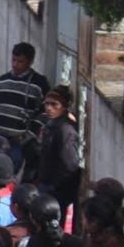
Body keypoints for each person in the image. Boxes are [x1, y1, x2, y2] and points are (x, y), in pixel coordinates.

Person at [0, 42, 50, 173]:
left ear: (30, 61)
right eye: (13, 60)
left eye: (20, 61)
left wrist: (28, 135)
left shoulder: (39, 83)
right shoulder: (2, 80)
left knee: (10, 174)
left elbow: (45, 112)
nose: (15, 65)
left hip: (18, 142)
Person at [37, 84, 81, 221]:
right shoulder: (52, 124)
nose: (49, 108)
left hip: (57, 188)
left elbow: (69, 163)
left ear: (64, 106)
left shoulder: (65, 129)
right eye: (47, 104)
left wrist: (56, 185)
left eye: (54, 104)